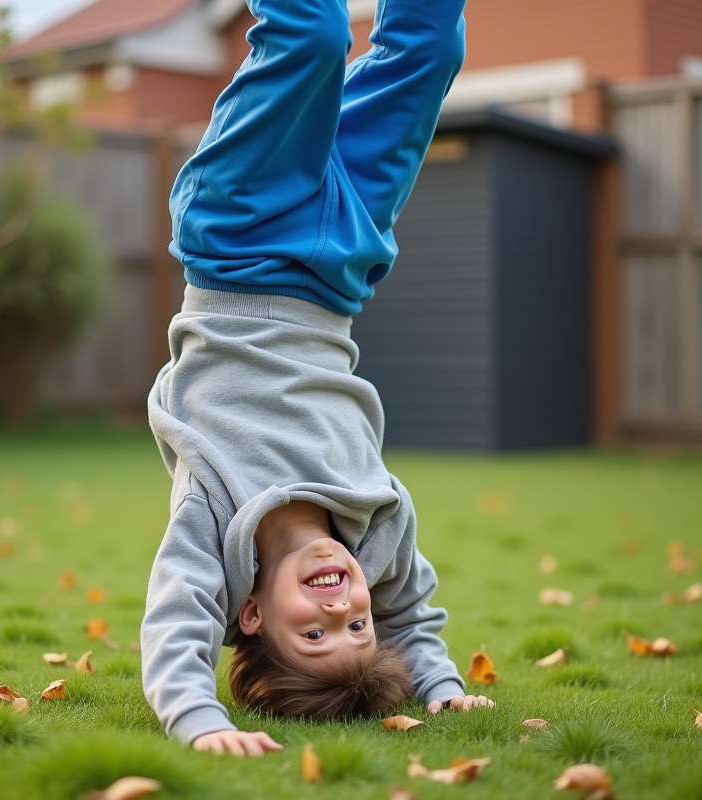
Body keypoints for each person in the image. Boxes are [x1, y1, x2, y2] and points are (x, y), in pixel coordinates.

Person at [142, 0, 489, 756]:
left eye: (315, 631)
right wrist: (441, 687)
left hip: (237, 235)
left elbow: (175, 624)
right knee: (428, 52)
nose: (342, 607)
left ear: (254, 615)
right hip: (340, 261)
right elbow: (415, 619)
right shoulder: (379, 521)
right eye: (356, 625)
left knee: (312, 35)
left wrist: (200, 723)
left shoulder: (215, 518)